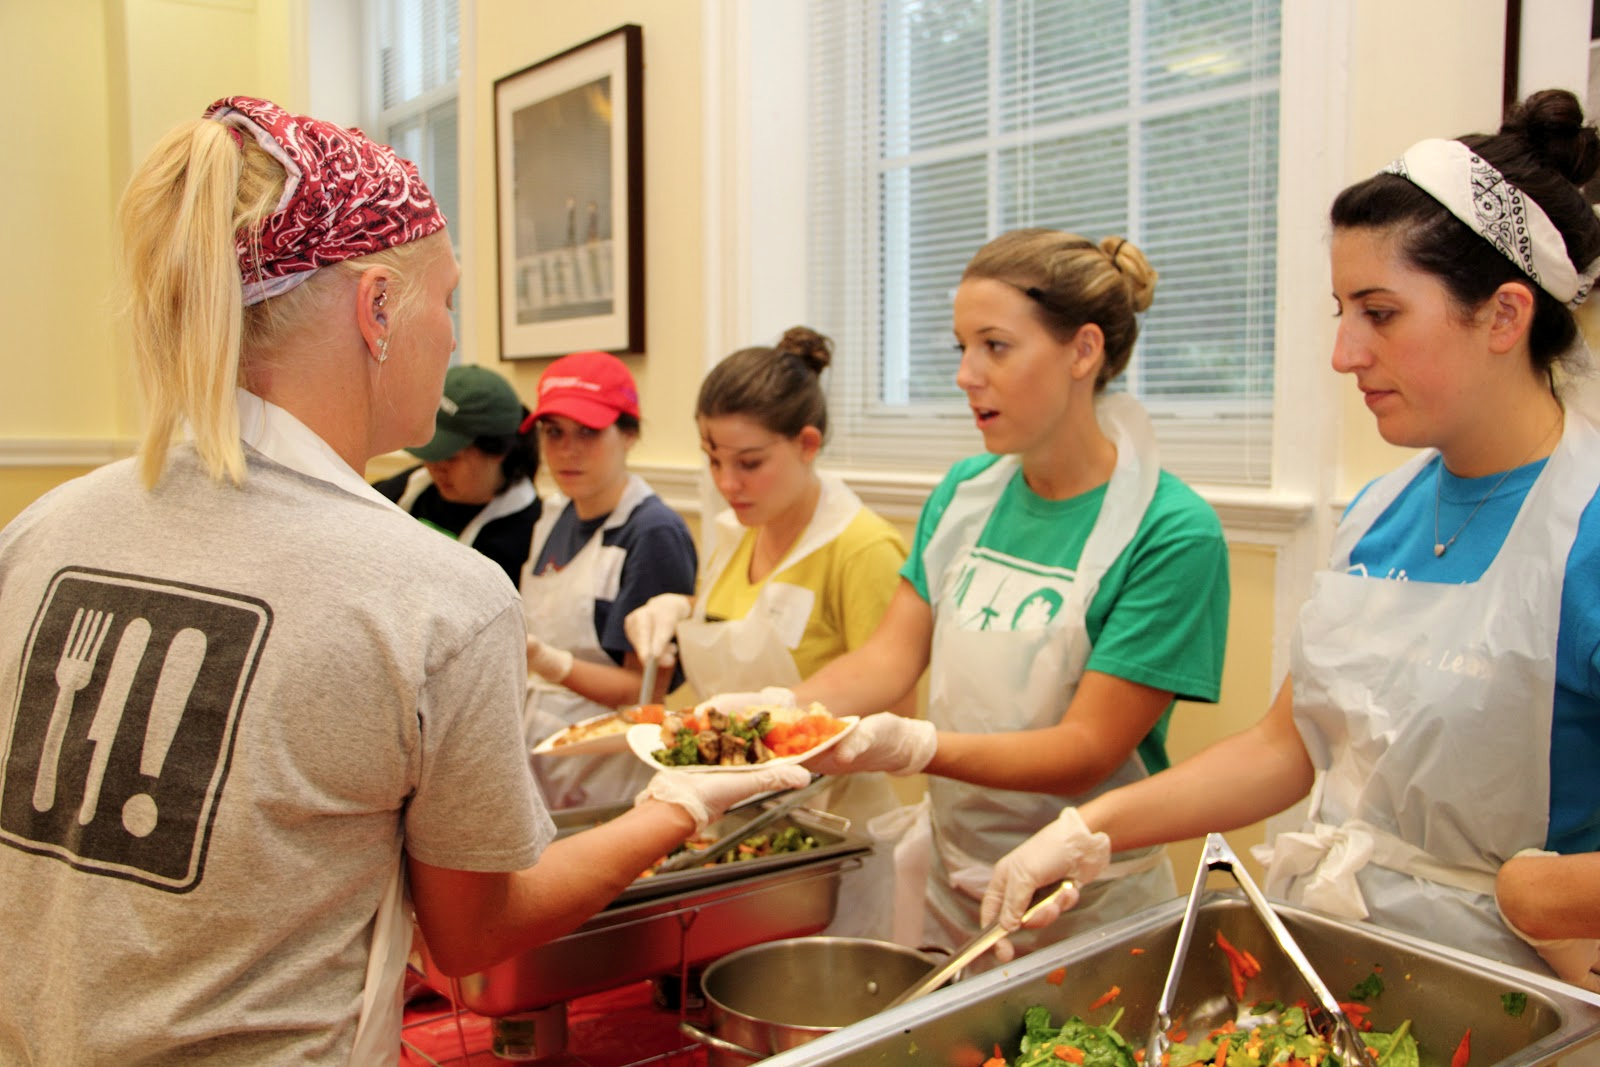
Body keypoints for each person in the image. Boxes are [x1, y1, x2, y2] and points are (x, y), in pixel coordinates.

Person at [0, 96, 804, 1065]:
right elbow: (473, 929)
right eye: (448, 299)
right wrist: (675, 807)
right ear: (377, 308)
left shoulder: (40, 531)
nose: (453, 336)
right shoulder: (431, 594)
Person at [980, 89, 1600, 993]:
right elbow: (1290, 744)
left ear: (1503, 316)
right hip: (1341, 973)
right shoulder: (1384, 511)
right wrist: (1093, 826)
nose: (1345, 353)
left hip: (1513, 1005)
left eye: (1380, 313)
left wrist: (1537, 892)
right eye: (1340, 310)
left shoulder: (1583, 531)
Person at [780, 229, 1231, 958]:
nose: (965, 374)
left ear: (1083, 351)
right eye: (961, 347)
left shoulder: (1172, 533)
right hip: (950, 890)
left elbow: (1084, 750)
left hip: (1088, 909)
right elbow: (889, 659)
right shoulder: (964, 496)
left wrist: (917, 746)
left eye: (994, 346)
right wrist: (780, 711)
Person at [624, 326, 913, 935]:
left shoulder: (862, 550)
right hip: (742, 829)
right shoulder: (735, 535)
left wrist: (781, 720)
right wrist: (679, 613)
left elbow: (900, 704)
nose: (728, 484)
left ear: (808, 444)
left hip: (835, 843)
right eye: (713, 460)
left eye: (750, 463)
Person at [520, 350, 698, 810]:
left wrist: (545, 660)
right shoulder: (553, 516)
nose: (567, 451)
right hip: (540, 757)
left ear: (629, 434)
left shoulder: (650, 532)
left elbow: (643, 690)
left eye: (589, 432)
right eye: (553, 432)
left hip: (609, 776)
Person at [372, 363, 540, 585]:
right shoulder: (412, 487)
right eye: (429, 452)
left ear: (498, 450)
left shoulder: (527, 535)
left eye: (451, 457)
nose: (435, 467)